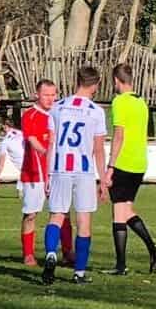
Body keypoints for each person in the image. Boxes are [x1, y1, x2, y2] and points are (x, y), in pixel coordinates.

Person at [42, 66, 109, 286]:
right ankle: (79, 273)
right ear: (95, 85)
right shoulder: (96, 111)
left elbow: (51, 143)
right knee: (84, 222)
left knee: (57, 216)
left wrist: (48, 174)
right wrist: (103, 179)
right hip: (83, 171)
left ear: (77, 81)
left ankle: (51, 253)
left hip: (60, 168)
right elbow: (98, 149)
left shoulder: (57, 107)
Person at [107, 63, 156, 276]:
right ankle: (152, 248)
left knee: (118, 213)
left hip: (124, 162)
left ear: (116, 81)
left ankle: (121, 266)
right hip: (140, 163)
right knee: (127, 210)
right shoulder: (141, 102)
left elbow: (119, 135)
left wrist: (111, 165)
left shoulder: (119, 102)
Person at [12, 83, 55, 265]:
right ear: (37, 94)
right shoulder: (30, 115)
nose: (50, 99)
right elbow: (32, 140)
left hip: (56, 173)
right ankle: (28, 253)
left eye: (53, 95)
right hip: (34, 173)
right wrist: (46, 151)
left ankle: (68, 252)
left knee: (61, 213)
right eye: (46, 95)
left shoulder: (57, 114)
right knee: (31, 214)